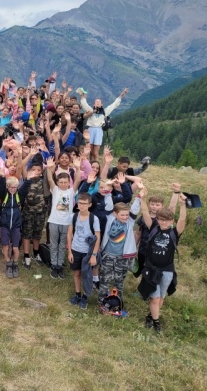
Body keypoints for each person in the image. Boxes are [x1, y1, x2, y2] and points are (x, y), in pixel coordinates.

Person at [137, 187, 187, 332]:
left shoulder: (174, 232)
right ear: (157, 220)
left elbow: (182, 219)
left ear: (172, 221)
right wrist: (143, 198)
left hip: (167, 270)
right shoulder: (153, 227)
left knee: (161, 297)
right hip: (151, 269)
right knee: (155, 298)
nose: (163, 222)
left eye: (166, 220)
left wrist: (183, 205)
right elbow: (145, 212)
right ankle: (156, 323)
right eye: (161, 220)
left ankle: (150, 316)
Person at [98, 198, 141, 307]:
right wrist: (108, 192)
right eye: (122, 215)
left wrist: (139, 197)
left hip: (122, 257)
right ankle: (102, 302)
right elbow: (108, 205)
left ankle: (118, 302)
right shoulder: (110, 219)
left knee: (119, 281)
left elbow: (134, 210)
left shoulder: (129, 223)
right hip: (108, 255)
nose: (125, 217)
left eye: (127, 215)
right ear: (115, 214)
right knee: (104, 279)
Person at [45, 156, 82, 279]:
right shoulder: (55, 190)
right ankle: (53, 265)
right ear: (58, 183)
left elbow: (77, 180)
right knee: (54, 244)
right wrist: (50, 168)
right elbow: (50, 179)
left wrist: (77, 167)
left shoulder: (71, 191)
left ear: (68, 182)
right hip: (54, 222)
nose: (63, 184)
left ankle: (60, 265)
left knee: (62, 246)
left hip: (67, 223)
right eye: (61, 182)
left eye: (65, 182)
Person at [67, 193, 101, 310]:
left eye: (84, 204)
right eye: (79, 203)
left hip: (88, 252)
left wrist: (94, 255)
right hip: (76, 249)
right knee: (77, 273)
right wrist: (70, 252)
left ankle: (85, 297)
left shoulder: (94, 219)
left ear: (89, 205)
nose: (81, 206)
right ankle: (77, 294)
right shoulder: (73, 216)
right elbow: (69, 233)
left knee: (87, 275)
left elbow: (97, 237)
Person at [78, 87, 128, 161]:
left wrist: (122, 95)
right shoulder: (90, 111)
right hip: (90, 130)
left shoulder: (105, 112)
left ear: (101, 104)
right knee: (90, 151)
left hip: (98, 130)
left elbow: (114, 105)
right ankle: (90, 165)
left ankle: (96, 165)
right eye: (96, 102)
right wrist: (82, 95)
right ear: (94, 104)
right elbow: (84, 104)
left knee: (95, 152)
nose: (97, 102)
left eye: (99, 102)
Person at [0, 175, 28, 279]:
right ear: (7, 187)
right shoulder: (4, 195)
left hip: (16, 226)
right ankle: (8, 264)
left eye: (15, 187)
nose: (13, 189)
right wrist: (1, 176)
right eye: (11, 187)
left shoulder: (19, 196)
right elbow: (1, 186)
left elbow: (25, 187)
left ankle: (15, 264)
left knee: (15, 247)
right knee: (5, 246)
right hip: (5, 225)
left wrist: (28, 179)